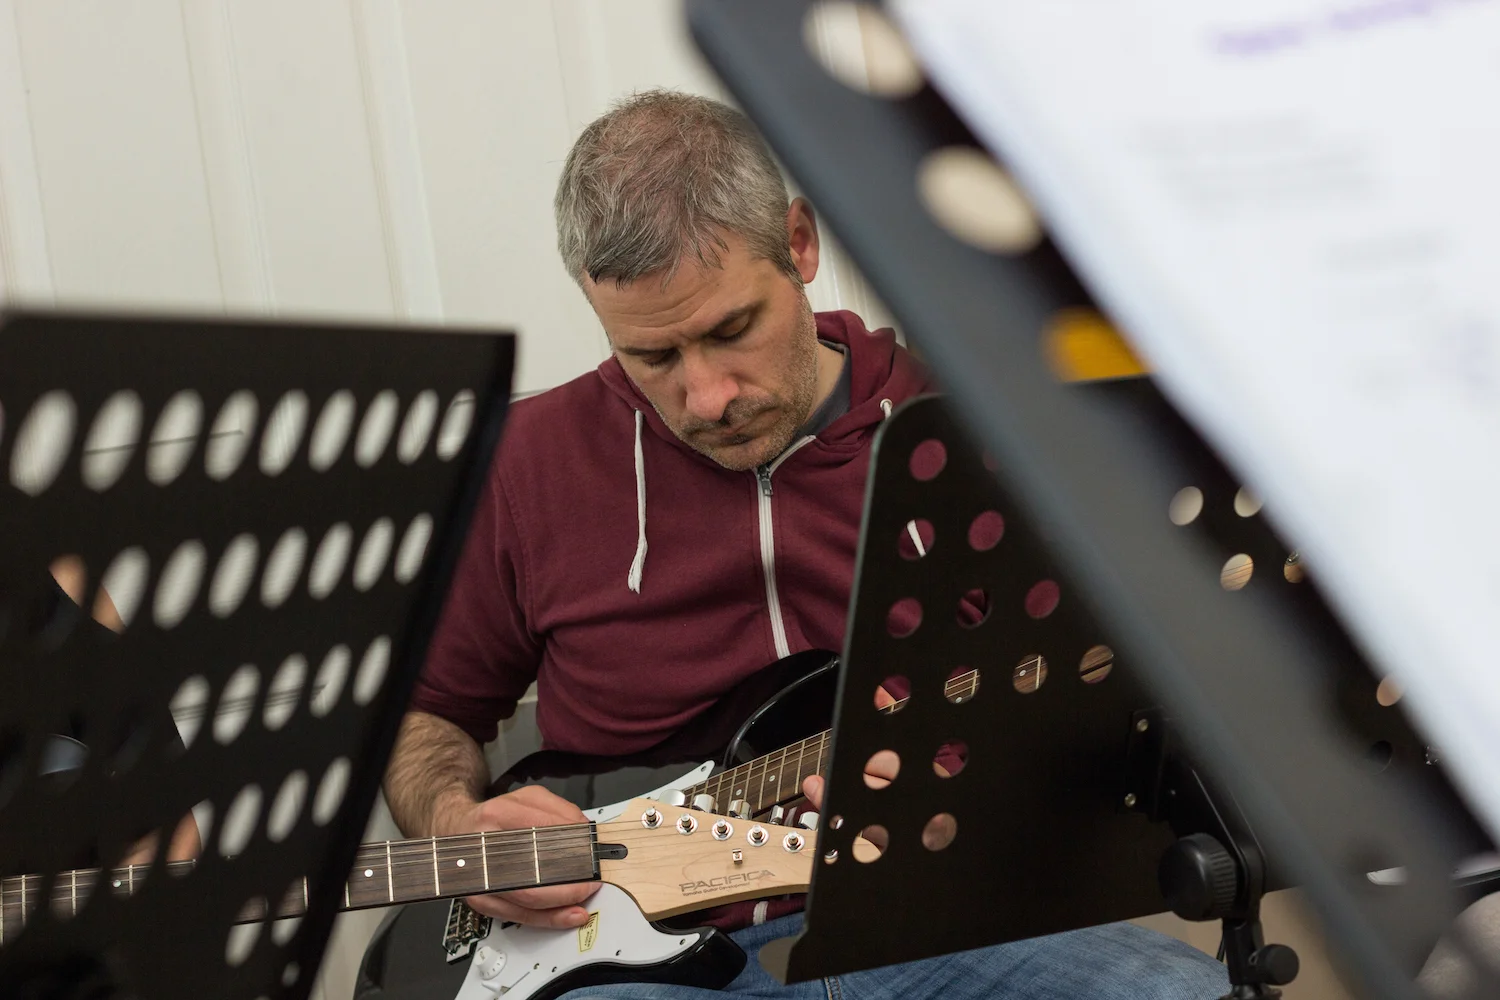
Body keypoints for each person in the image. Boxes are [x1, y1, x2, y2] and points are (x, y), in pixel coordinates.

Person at [382, 89, 1229, 999]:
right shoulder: (529, 464)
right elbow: (423, 715)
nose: (708, 397)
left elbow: (1082, 710)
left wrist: (965, 816)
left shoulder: (967, 428)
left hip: (935, 921)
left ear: (800, 244)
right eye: (653, 358)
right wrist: (454, 823)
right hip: (626, 959)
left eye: (731, 330)